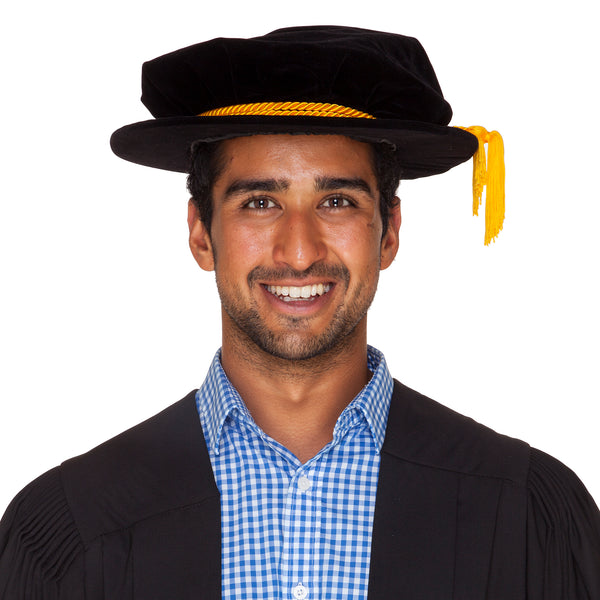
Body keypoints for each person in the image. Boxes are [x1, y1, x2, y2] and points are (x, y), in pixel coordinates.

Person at [1, 25, 599, 600]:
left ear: (388, 232)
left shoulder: (526, 517)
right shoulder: (67, 531)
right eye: (260, 202)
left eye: (336, 201)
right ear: (201, 234)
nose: (300, 250)